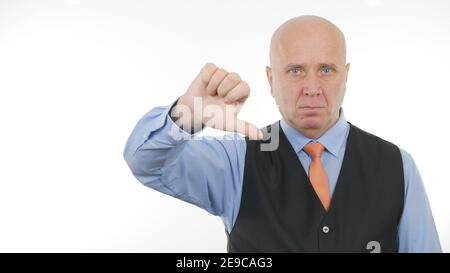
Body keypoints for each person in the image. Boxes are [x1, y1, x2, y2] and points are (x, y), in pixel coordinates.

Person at [123, 15, 442, 253]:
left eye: (326, 70)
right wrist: (186, 116)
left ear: (346, 75)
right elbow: (145, 162)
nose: (312, 89)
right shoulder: (238, 159)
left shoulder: (397, 165)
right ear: (270, 79)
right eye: (296, 70)